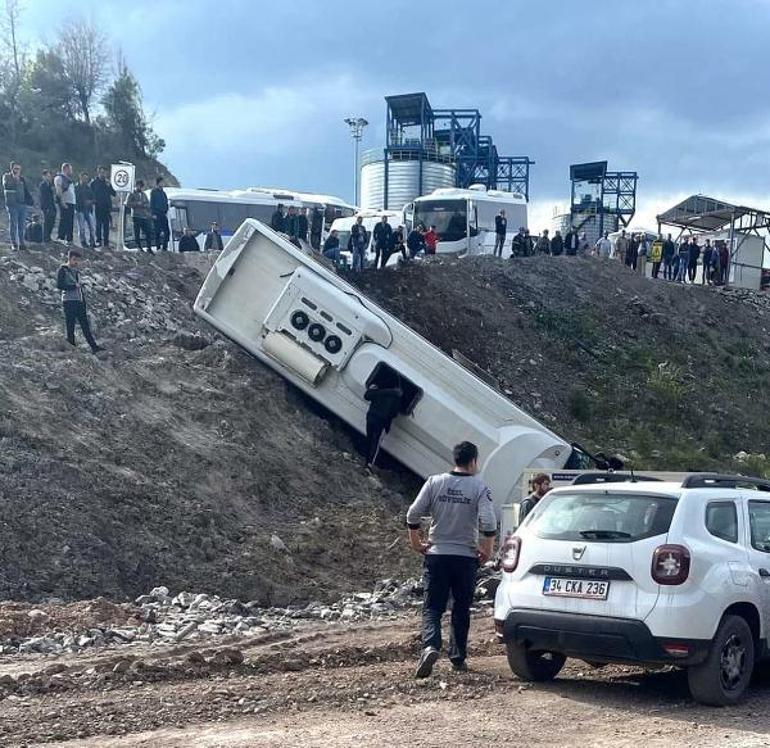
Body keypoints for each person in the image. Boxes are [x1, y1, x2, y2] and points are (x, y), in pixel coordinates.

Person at [406, 441, 497, 678]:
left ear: (455, 459)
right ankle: (457, 658)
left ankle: (431, 646)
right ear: (474, 461)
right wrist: (487, 549)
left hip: (437, 555)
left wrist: (416, 542)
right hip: (465, 558)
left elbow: (413, 513)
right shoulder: (480, 487)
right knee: (460, 608)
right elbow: (488, 522)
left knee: (432, 606)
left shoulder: (435, 482)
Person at [56, 248, 101, 353]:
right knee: (70, 325)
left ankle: (94, 347)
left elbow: (79, 287)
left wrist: (83, 301)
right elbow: (59, 285)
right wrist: (72, 286)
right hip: (69, 301)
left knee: (85, 324)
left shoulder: (76, 271)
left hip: (79, 300)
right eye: (75, 260)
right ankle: (71, 346)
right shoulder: (62, 270)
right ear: (71, 258)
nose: (77, 263)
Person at [363, 376, 403, 467]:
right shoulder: (395, 397)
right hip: (381, 421)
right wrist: (387, 426)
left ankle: (366, 460)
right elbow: (393, 413)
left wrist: (373, 389)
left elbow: (367, 396)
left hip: (371, 417)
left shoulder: (378, 390)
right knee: (375, 442)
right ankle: (369, 464)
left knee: (369, 439)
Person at [3, 161, 34, 250]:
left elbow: (25, 190)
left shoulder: (22, 178)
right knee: (13, 224)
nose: (17, 171)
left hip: (22, 204)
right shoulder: (7, 177)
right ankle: (14, 243)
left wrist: (30, 200)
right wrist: (15, 179)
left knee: (22, 224)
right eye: (16, 169)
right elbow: (6, 186)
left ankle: (22, 243)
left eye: (19, 169)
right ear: (11, 169)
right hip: (12, 204)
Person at [90, 166, 115, 248]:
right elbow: (90, 193)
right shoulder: (94, 183)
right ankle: (98, 241)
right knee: (98, 224)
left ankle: (106, 242)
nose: (103, 174)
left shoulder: (107, 183)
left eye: (104, 172)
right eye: (101, 172)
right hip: (98, 206)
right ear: (98, 173)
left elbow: (113, 193)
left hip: (107, 207)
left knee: (106, 225)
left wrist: (109, 185)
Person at [126, 180, 153, 253]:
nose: (140, 187)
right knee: (137, 232)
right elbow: (128, 203)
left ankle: (149, 247)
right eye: (138, 186)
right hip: (136, 215)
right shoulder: (132, 194)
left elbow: (148, 204)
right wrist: (137, 204)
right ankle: (139, 247)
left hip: (144, 216)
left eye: (141, 186)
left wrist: (144, 205)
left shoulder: (144, 194)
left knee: (148, 231)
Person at [54, 163, 76, 245]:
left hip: (71, 202)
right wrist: (62, 201)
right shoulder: (59, 178)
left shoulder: (69, 180)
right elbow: (59, 191)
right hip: (65, 202)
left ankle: (69, 239)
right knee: (64, 219)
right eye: (70, 169)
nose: (71, 171)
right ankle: (61, 237)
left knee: (70, 221)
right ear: (66, 169)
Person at [74, 172, 96, 249]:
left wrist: (90, 202)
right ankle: (83, 242)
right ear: (80, 178)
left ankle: (92, 242)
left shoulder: (88, 188)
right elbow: (75, 199)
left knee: (92, 227)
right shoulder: (76, 188)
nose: (85, 180)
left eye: (86, 178)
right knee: (82, 228)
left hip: (88, 210)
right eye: (84, 178)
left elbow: (94, 198)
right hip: (80, 210)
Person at [150, 176, 170, 251]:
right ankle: (158, 247)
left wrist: (166, 210)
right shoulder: (154, 192)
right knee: (157, 231)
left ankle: (165, 248)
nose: (163, 183)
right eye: (162, 182)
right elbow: (152, 203)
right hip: (156, 214)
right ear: (158, 183)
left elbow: (166, 203)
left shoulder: (163, 193)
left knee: (167, 232)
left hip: (163, 214)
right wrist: (153, 214)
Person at [39, 169, 57, 243]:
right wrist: (45, 207)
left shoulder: (50, 185)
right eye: (47, 176)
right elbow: (43, 197)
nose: (49, 177)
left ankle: (49, 236)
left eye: (49, 176)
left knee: (52, 221)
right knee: (47, 221)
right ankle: (45, 237)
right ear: (43, 176)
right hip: (46, 206)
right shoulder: (42, 185)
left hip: (52, 205)